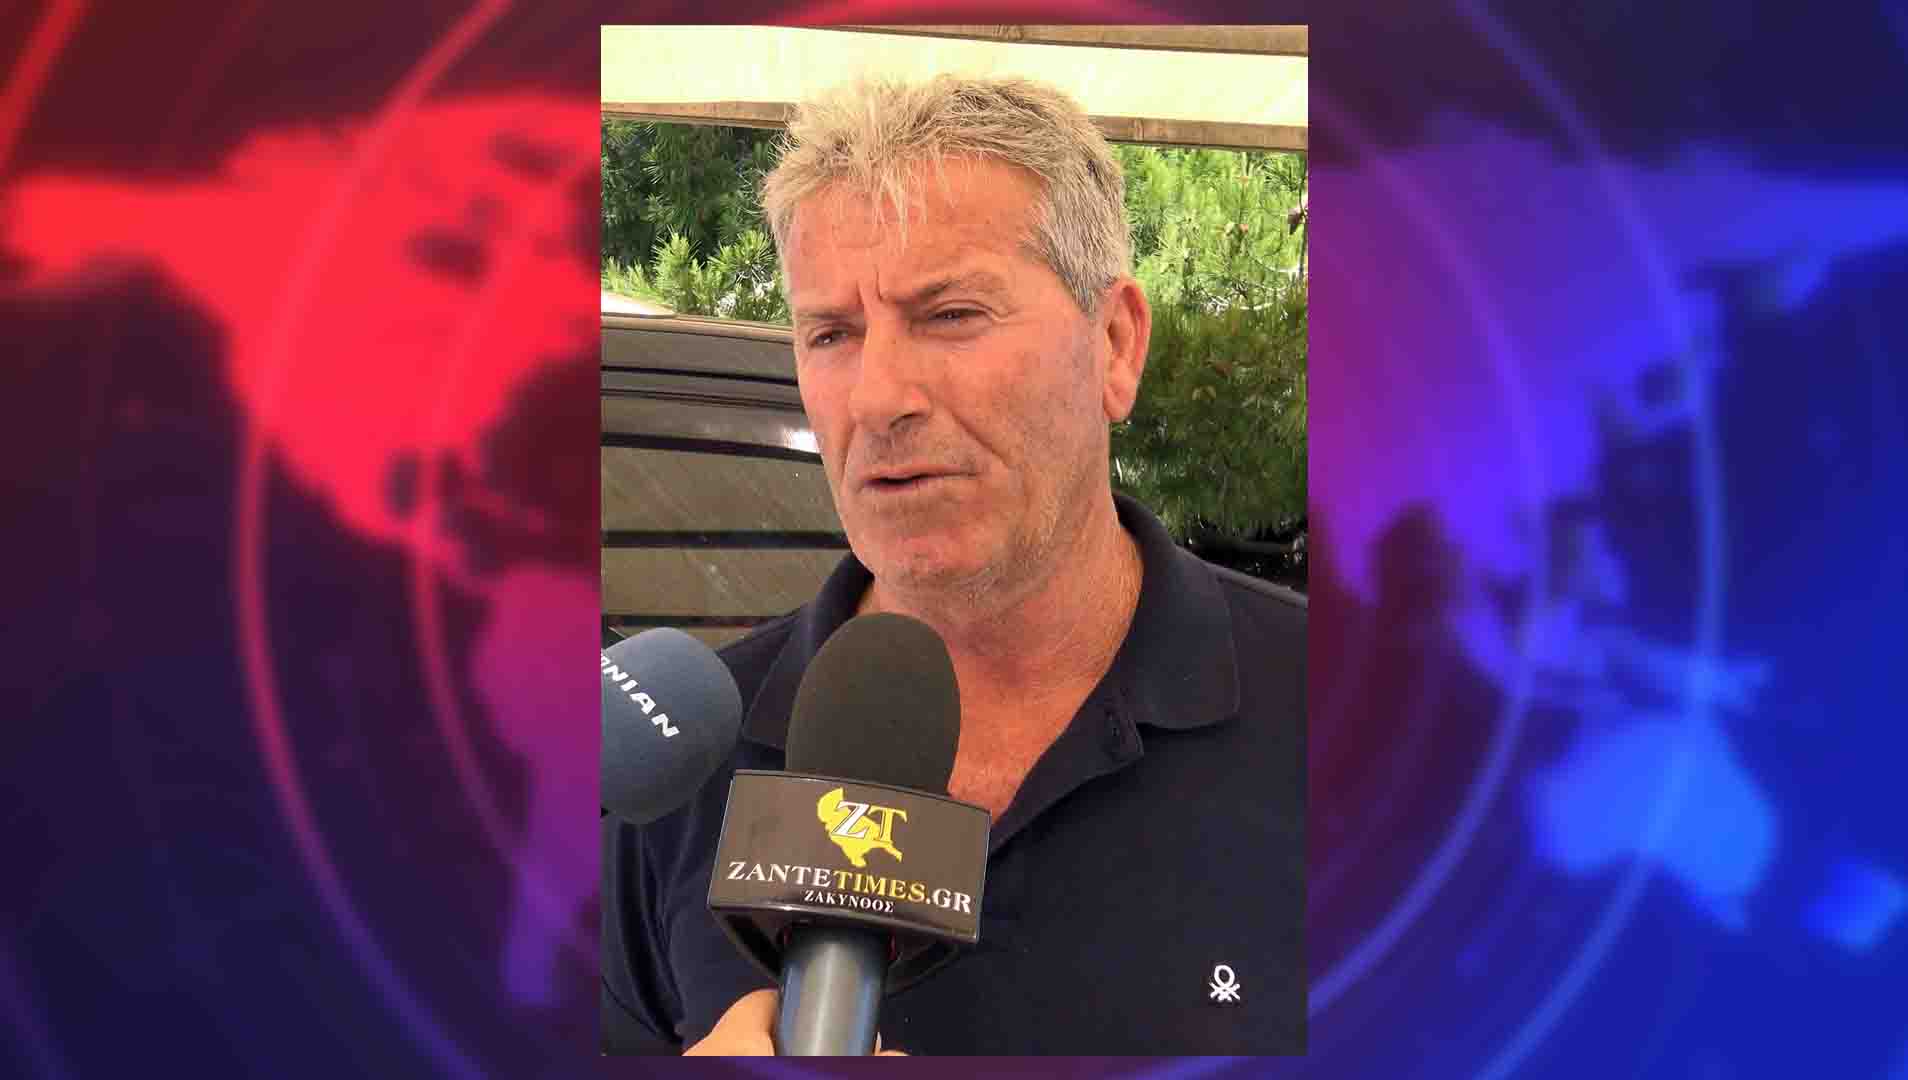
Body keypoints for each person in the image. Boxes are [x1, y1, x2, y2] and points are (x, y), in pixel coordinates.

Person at [601, 74, 1306, 1055]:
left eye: (951, 314)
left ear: (1115, 345)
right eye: (831, 333)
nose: (876, 396)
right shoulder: (679, 773)